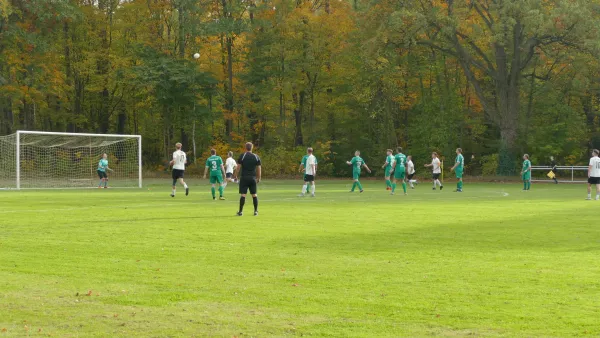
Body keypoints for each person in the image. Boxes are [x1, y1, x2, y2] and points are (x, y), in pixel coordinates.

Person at [235, 142, 261, 216]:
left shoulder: (242, 156)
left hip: (244, 178)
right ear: (252, 148)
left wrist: (235, 175)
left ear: (245, 148)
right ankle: (255, 211)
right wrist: (259, 177)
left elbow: (238, 167)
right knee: (254, 194)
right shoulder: (256, 156)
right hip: (253, 178)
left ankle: (240, 212)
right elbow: (259, 168)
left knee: (243, 194)